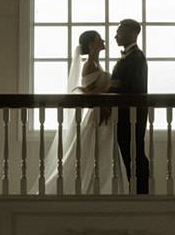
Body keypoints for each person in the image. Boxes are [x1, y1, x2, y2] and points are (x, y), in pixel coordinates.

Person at [44, 30, 112, 191]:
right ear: (91, 44)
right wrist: (108, 86)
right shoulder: (88, 65)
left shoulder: (96, 65)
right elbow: (89, 94)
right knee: (89, 151)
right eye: (99, 39)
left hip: (104, 113)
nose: (103, 41)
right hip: (95, 114)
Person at [109, 18, 150, 194]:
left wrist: (116, 85)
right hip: (123, 116)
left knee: (135, 154)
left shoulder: (137, 58)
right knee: (128, 154)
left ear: (132, 33)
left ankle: (141, 193)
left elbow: (136, 87)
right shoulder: (129, 57)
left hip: (131, 116)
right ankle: (135, 191)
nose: (115, 36)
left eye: (119, 32)